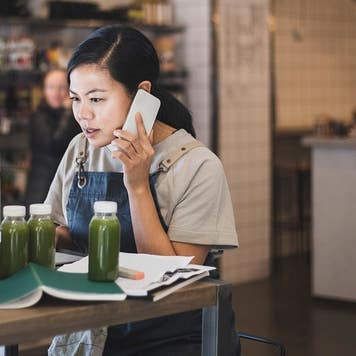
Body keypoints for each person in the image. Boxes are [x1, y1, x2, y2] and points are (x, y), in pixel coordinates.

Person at [45, 25, 239, 355]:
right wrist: (38, 238)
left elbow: (175, 278)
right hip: (89, 333)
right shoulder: (81, 148)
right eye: (75, 99)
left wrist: (137, 184)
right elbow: (61, 227)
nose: (83, 114)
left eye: (96, 99)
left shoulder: (198, 166)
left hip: (170, 341)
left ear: (142, 94)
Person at [25, 68, 81, 205]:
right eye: (51, 87)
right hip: (42, 187)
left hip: (68, 185)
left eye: (62, 87)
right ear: (44, 90)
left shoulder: (77, 116)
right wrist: (67, 112)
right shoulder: (38, 116)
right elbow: (53, 145)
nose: (56, 93)